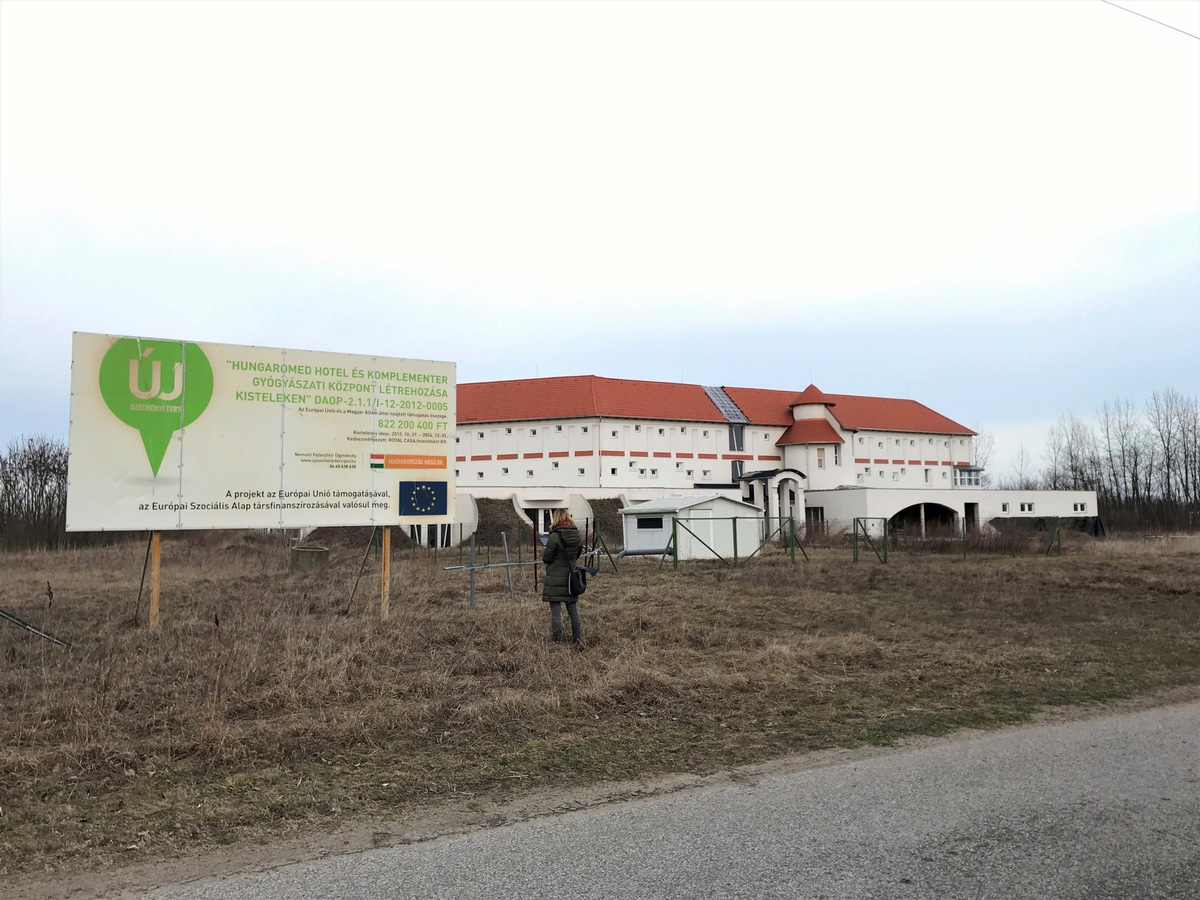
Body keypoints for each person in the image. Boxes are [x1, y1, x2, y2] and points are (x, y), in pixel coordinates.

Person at [541, 507, 583, 645]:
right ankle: (577, 640)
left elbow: (547, 558)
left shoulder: (554, 536)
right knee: (572, 609)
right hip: (572, 577)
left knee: (555, 610)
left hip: (555, 576)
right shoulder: (577, 535)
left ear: (556, 518)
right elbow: (577, 555)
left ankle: (556, 641)